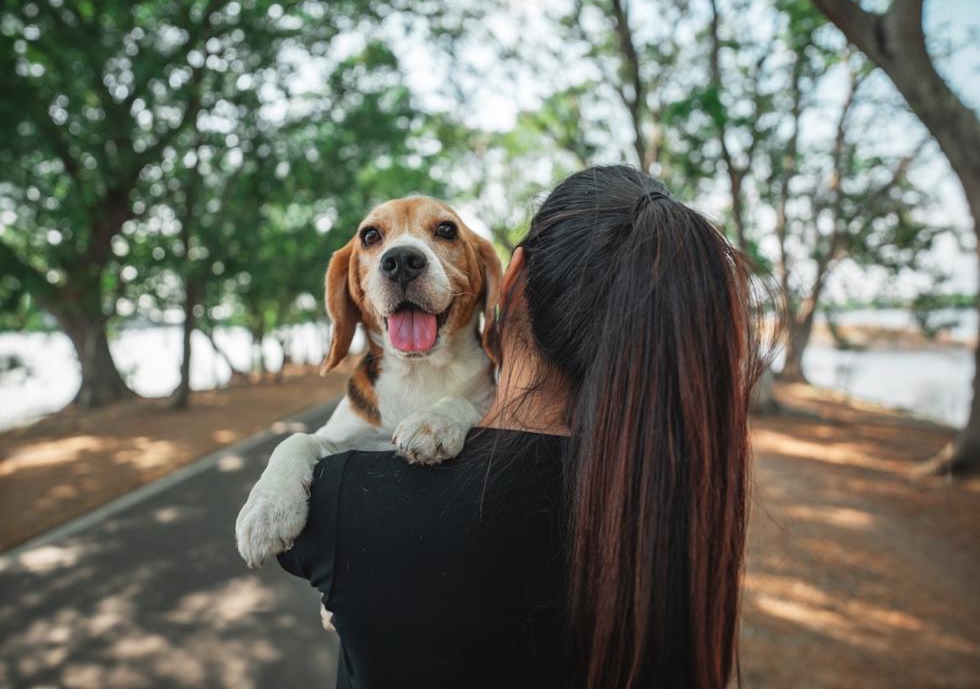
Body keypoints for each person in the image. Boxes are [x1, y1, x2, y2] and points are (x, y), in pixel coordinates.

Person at [278, 165, 768, 689]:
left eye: (443, 232)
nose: (401, 255)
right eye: (374, 240)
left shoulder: (338, 503)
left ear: (505, 279)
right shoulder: (675, 503)